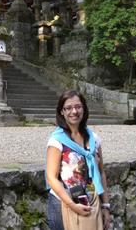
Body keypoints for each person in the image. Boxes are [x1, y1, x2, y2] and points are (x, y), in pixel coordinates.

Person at [46, 90, 111, 230]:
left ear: (84, 109)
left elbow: (101, 172)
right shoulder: (57, 141)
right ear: (61, 112)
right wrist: (72, 205)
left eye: (78, 107)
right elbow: (51, 177)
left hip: (91, 202)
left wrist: (106, 206)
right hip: (63, 203)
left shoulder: (93, 139)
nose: (74, 111)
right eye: (68, 108)